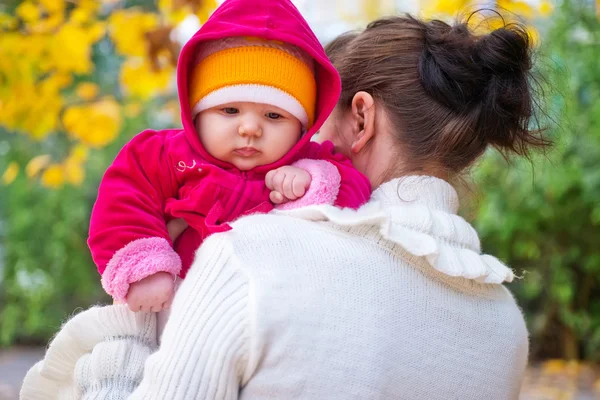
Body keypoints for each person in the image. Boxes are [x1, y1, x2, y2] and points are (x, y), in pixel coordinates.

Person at [21, 12, 550, 400]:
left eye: (303, 125)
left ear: (360, 118)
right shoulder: (504, 324)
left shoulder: (249, 259)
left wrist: (119, 352)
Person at [89, 0, 371, 313]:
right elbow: (124, 199)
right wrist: (145, 267)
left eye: (274, 116)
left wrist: (312, 180)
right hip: (171, 304)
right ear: (197, 113)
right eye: (230, 110)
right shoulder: (164, 155)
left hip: (265, 315)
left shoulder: (310, 162)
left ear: (302, 127)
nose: (250, 128)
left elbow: (356, 193)